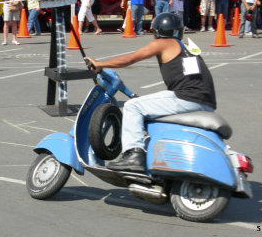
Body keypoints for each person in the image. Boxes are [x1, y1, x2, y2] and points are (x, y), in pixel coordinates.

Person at [86, 13, 216, 173]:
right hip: (205, 101)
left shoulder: (163, 43)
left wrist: (99, 64)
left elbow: (130, 59)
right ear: (179, 31)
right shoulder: (186, 46)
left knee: (133, 106)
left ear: (157, 31)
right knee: (149, 106)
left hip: (187, 97)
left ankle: (134, 156)